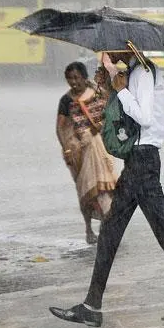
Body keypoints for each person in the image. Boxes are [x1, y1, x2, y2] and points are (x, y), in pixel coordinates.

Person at [49, 47, 164, 328]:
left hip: (143, 160)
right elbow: (123, 115)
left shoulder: (144, 73)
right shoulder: (135, 72)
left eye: (111, 50)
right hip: (138, 161)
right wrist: (110, 86)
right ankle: (93, 305)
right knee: (123, 230)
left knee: (145, 231)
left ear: (126, 46)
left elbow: (144, 117)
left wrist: (121, 90)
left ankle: (94, 306)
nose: (108, 54)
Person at [55, 61, 119, 244]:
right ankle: (89, 229)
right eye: (69, 78)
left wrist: (97, 127)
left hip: (99, 146)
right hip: (77, 152)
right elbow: (60, 127)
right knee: (85, 190)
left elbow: (110, 114)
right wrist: (67, 148)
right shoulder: (66, 100)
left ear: (84, 77)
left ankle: (107, 224)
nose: (73, 82)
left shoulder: (97, 94)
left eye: (76, 78)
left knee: (104, 187)